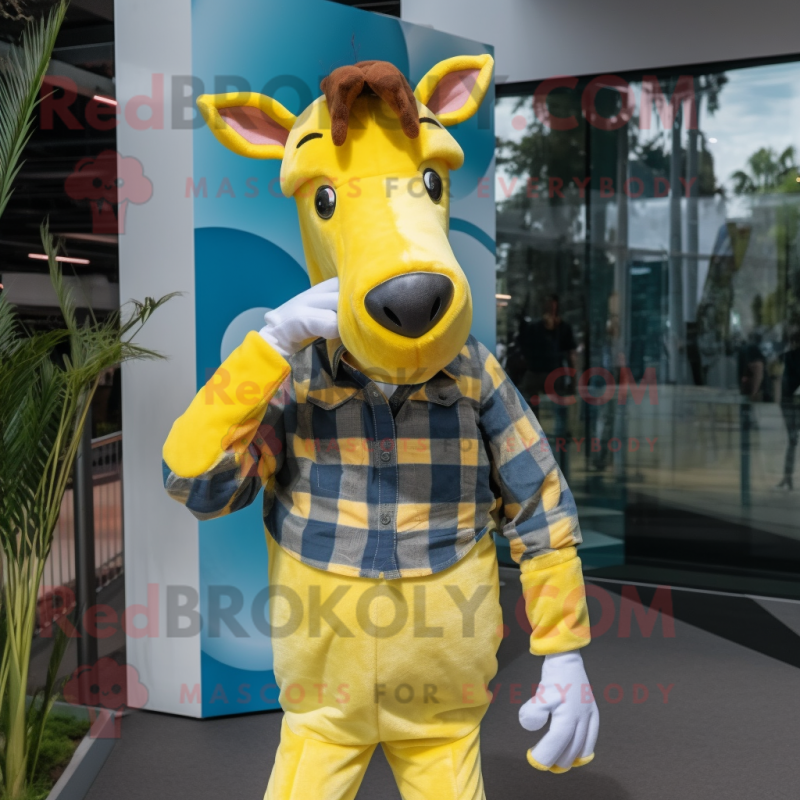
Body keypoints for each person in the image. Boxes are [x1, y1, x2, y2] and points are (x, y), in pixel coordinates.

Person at [777, 329, 800, 490]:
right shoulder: (788, 356)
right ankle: (787, 476)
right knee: (792, 440)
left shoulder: (786, 356)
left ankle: (787, 476)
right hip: (794, 402)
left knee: (792, 440)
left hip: (787, 402)